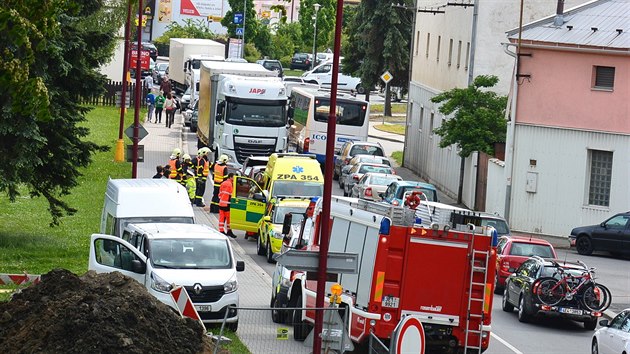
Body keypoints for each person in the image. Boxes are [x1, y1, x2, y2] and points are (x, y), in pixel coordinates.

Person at [218, 173, 236, 238]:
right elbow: (231, 194)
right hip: (227, 204)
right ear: (230, 177)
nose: (234, 179)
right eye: (233, 177)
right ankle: (229, 231)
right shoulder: (231, 184)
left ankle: (221, 230)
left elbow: (220, 193)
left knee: (221, 218)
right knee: (228, 218)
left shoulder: (223, 183)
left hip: (221, 203)